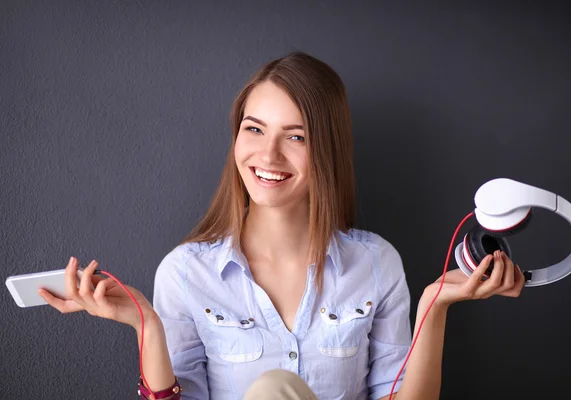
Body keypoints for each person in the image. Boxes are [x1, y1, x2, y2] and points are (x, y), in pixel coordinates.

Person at [39, 52, 525, 400]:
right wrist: (147, 328)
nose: (267, 156)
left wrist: (433, 308)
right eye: (254, 129)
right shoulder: (186, 273)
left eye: (296, 136)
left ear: (329, 150)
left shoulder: (376, 263)